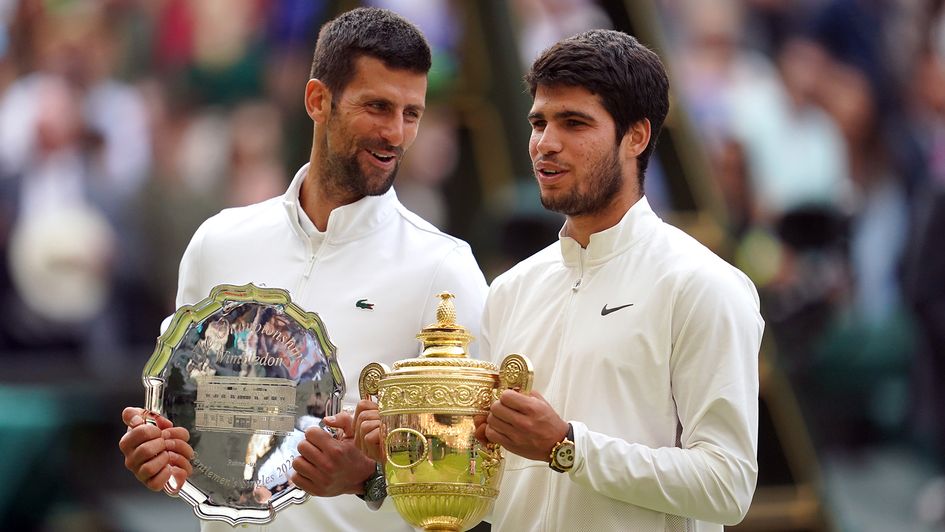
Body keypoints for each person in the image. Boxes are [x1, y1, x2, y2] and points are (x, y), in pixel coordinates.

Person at [117, 7, 488, 532]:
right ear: (317, 100)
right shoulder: (217, 243)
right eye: (377, 107)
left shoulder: (445, 269)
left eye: (412, 113)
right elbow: (185, 419)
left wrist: (370, 479)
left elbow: (485, 482)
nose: (396, 134)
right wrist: (155, 450)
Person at [474, 30, 763, 531]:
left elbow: (727, 485)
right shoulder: (510, 290)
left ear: (637, 136)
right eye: (539, 122)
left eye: (574, 122)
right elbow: (496, 492)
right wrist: (386, 462)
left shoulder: (702, 285)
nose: (546, 143)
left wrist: (568, 447)